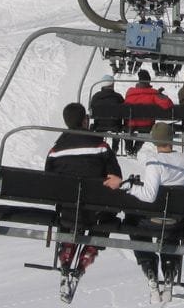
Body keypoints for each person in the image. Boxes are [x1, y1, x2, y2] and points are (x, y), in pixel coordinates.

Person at [45, 103, 123, 294]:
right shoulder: (100, 146)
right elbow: (115, 178)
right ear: (85, 121)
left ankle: (66, 253)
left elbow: (49, 182)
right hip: (96, 213)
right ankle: (87, 254)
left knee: (71, 212)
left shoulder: (55, 151)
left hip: (67, 212)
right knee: (108, 216)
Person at [123, 122, 184, 295]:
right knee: (171, 231)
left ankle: (148, 263)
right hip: (175, 221)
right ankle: (169, 266)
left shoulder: (154, 161)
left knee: (133, 224)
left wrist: (130, 187)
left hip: (152, 221)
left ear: (154, 141)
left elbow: (149, 195)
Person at [123, 69, 174, 156]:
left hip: (130, 123)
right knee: (144, 130)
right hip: (146, 125)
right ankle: (135, 149)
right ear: (149, 81)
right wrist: (160, 95)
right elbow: (168, 104)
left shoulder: (130, 92)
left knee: (128, 127)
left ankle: (128, 148)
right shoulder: (153, 94)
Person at [89, 75, 125, 154]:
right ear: (112, 85)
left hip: (99, 125)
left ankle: (99, 146)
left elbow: (91, 110)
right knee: (117, 127)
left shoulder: (96, 97)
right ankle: (115, 148)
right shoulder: (118, 97)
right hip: (115, 126)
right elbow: (123, 111)